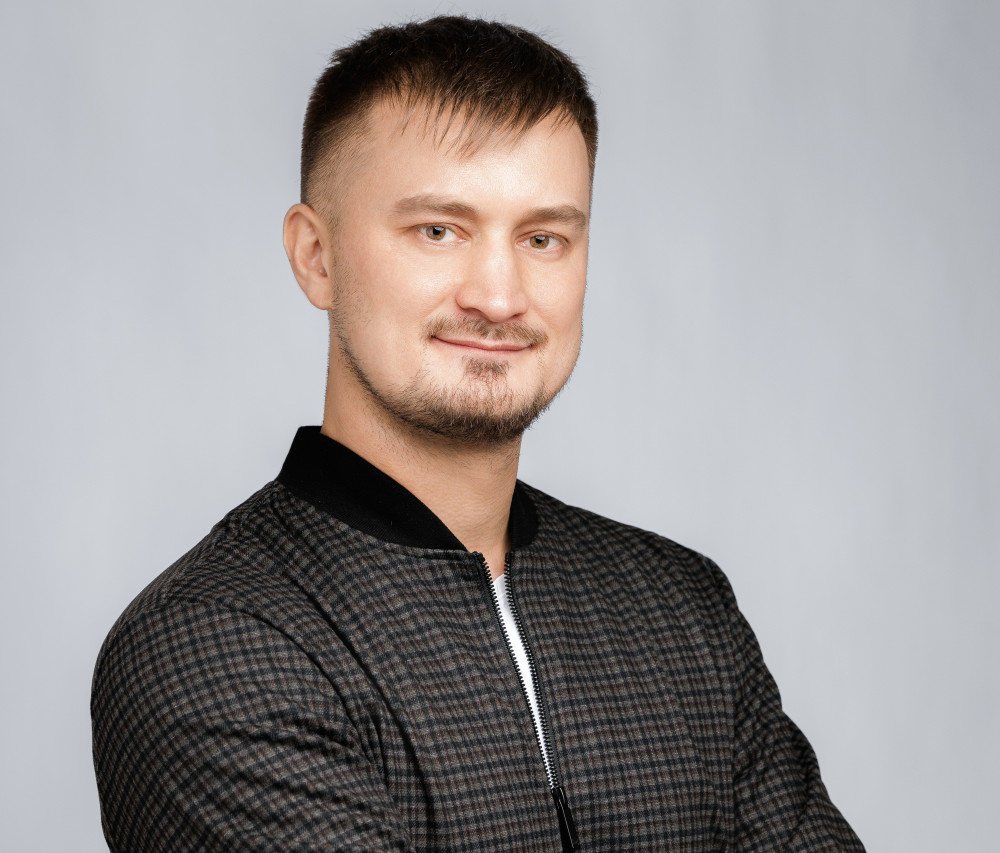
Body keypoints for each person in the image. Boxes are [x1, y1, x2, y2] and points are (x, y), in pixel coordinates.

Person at [91, 16, 864, 852]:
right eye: (439, 230)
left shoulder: (683, 612)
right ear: (316, 256)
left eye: (543, 238)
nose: (499, 296)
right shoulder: (211, 643)